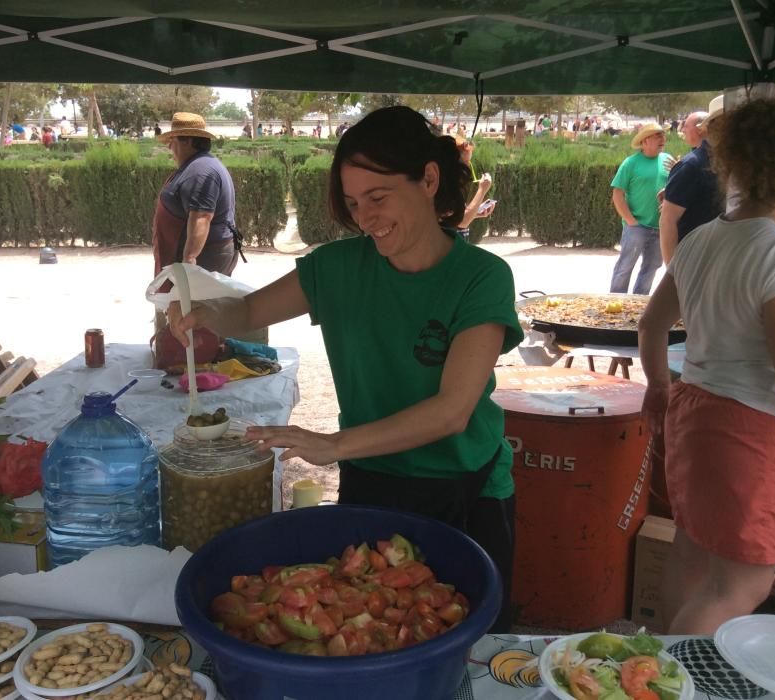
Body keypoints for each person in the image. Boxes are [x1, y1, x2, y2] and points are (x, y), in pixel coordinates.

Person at [167, 105, 524, 631]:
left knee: (464, 639)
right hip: (372, 475)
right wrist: (203, 311)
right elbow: (247, 310)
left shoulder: (481, 277)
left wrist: (330, 445)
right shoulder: (337, 268)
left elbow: (452, 412)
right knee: (372, 627)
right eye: (356, 204)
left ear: (428, 179)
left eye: (379, 197)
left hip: (462, 486)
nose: (367, 218)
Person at [639, 96, 775, 634]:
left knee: (692, 554)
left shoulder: (702, 239)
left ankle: (658, 670)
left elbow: (651, 325)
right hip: (750, 431)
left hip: (694, 411)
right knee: (742, 584)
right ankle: (668, 685)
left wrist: (658, 386)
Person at [152, 111, 242, 279]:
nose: (169, 147)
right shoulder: (199, 165)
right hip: (205, 255)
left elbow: (202, 217)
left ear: (189, 141)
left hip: (205, 258)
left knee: (195, 305)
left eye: (173, 141)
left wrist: (189, 261)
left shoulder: (201, 171)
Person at [608, 122, 671, 294]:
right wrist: (630, 221)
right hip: (636, 225)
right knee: (625, 266)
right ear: (644, 141)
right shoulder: (630, 163)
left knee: (651, 268)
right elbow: (617, 194)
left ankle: (638, 306)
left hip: (660, 226)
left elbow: (677, 188)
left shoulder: (668, 161)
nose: (662, 139)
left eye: (663, 135)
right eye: (657, 136)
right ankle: (615, 304)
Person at [658, 104, 721, 264]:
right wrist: (672, 272)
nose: (683, 130)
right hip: (696, 259)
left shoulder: (733, 163)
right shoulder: (691, 165)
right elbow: (667, 221)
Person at [453, 135, 495, 239]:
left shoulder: (455, 183)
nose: (468, 168)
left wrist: (476, 212)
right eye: (465, 163)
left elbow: (456, 217)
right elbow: (462, 221)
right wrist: (482, 190)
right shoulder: (445, 186)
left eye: (469, 162)